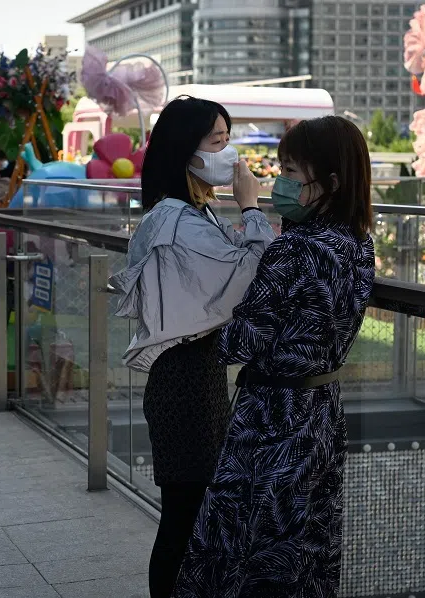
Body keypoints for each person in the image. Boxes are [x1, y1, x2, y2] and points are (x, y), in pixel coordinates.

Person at [173, 116, 376, 598]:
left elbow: (238, 342)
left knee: (244, 545)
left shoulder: (294, 249)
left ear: (328, 183)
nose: (278, 182)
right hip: (322, 411)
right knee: (305, 545)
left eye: (290, 172)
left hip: (271, 419)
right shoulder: (358, 246)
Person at [108, 96, 276, 598]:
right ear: (188, 151)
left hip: (194, 374)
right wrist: (252, 205)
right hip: (184, 380)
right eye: (219, 142)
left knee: (189, 512)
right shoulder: (177, 220)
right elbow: (252, 274)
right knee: (183, 515)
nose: (232, 154)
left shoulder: (186, 212)